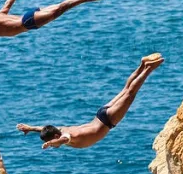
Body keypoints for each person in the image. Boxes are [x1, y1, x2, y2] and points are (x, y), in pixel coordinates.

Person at [16, 53, 164, 149]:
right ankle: (142, 65)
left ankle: (149, 68)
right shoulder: (60, 128)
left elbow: (62, 140)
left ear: (55, 137)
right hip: (101, 114)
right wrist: (30, 128)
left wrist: (51, 143)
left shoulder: (66, 136)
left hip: (108, 120)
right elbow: (43, 128)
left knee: (130, 93)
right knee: (126, 89)